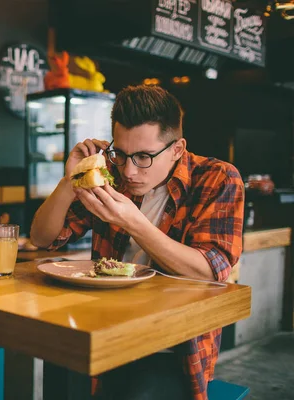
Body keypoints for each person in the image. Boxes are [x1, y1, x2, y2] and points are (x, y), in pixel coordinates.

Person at [30, 85, 244, 400]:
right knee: (59, 371)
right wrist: (71, 180)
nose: (130, 170)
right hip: (102, 329)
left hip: (172, 348)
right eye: (121, 153)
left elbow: (209, 271)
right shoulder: (112, 174)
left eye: (144, 157)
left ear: (177, 148)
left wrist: (133, 221)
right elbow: (42, 238)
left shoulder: (218, 179)